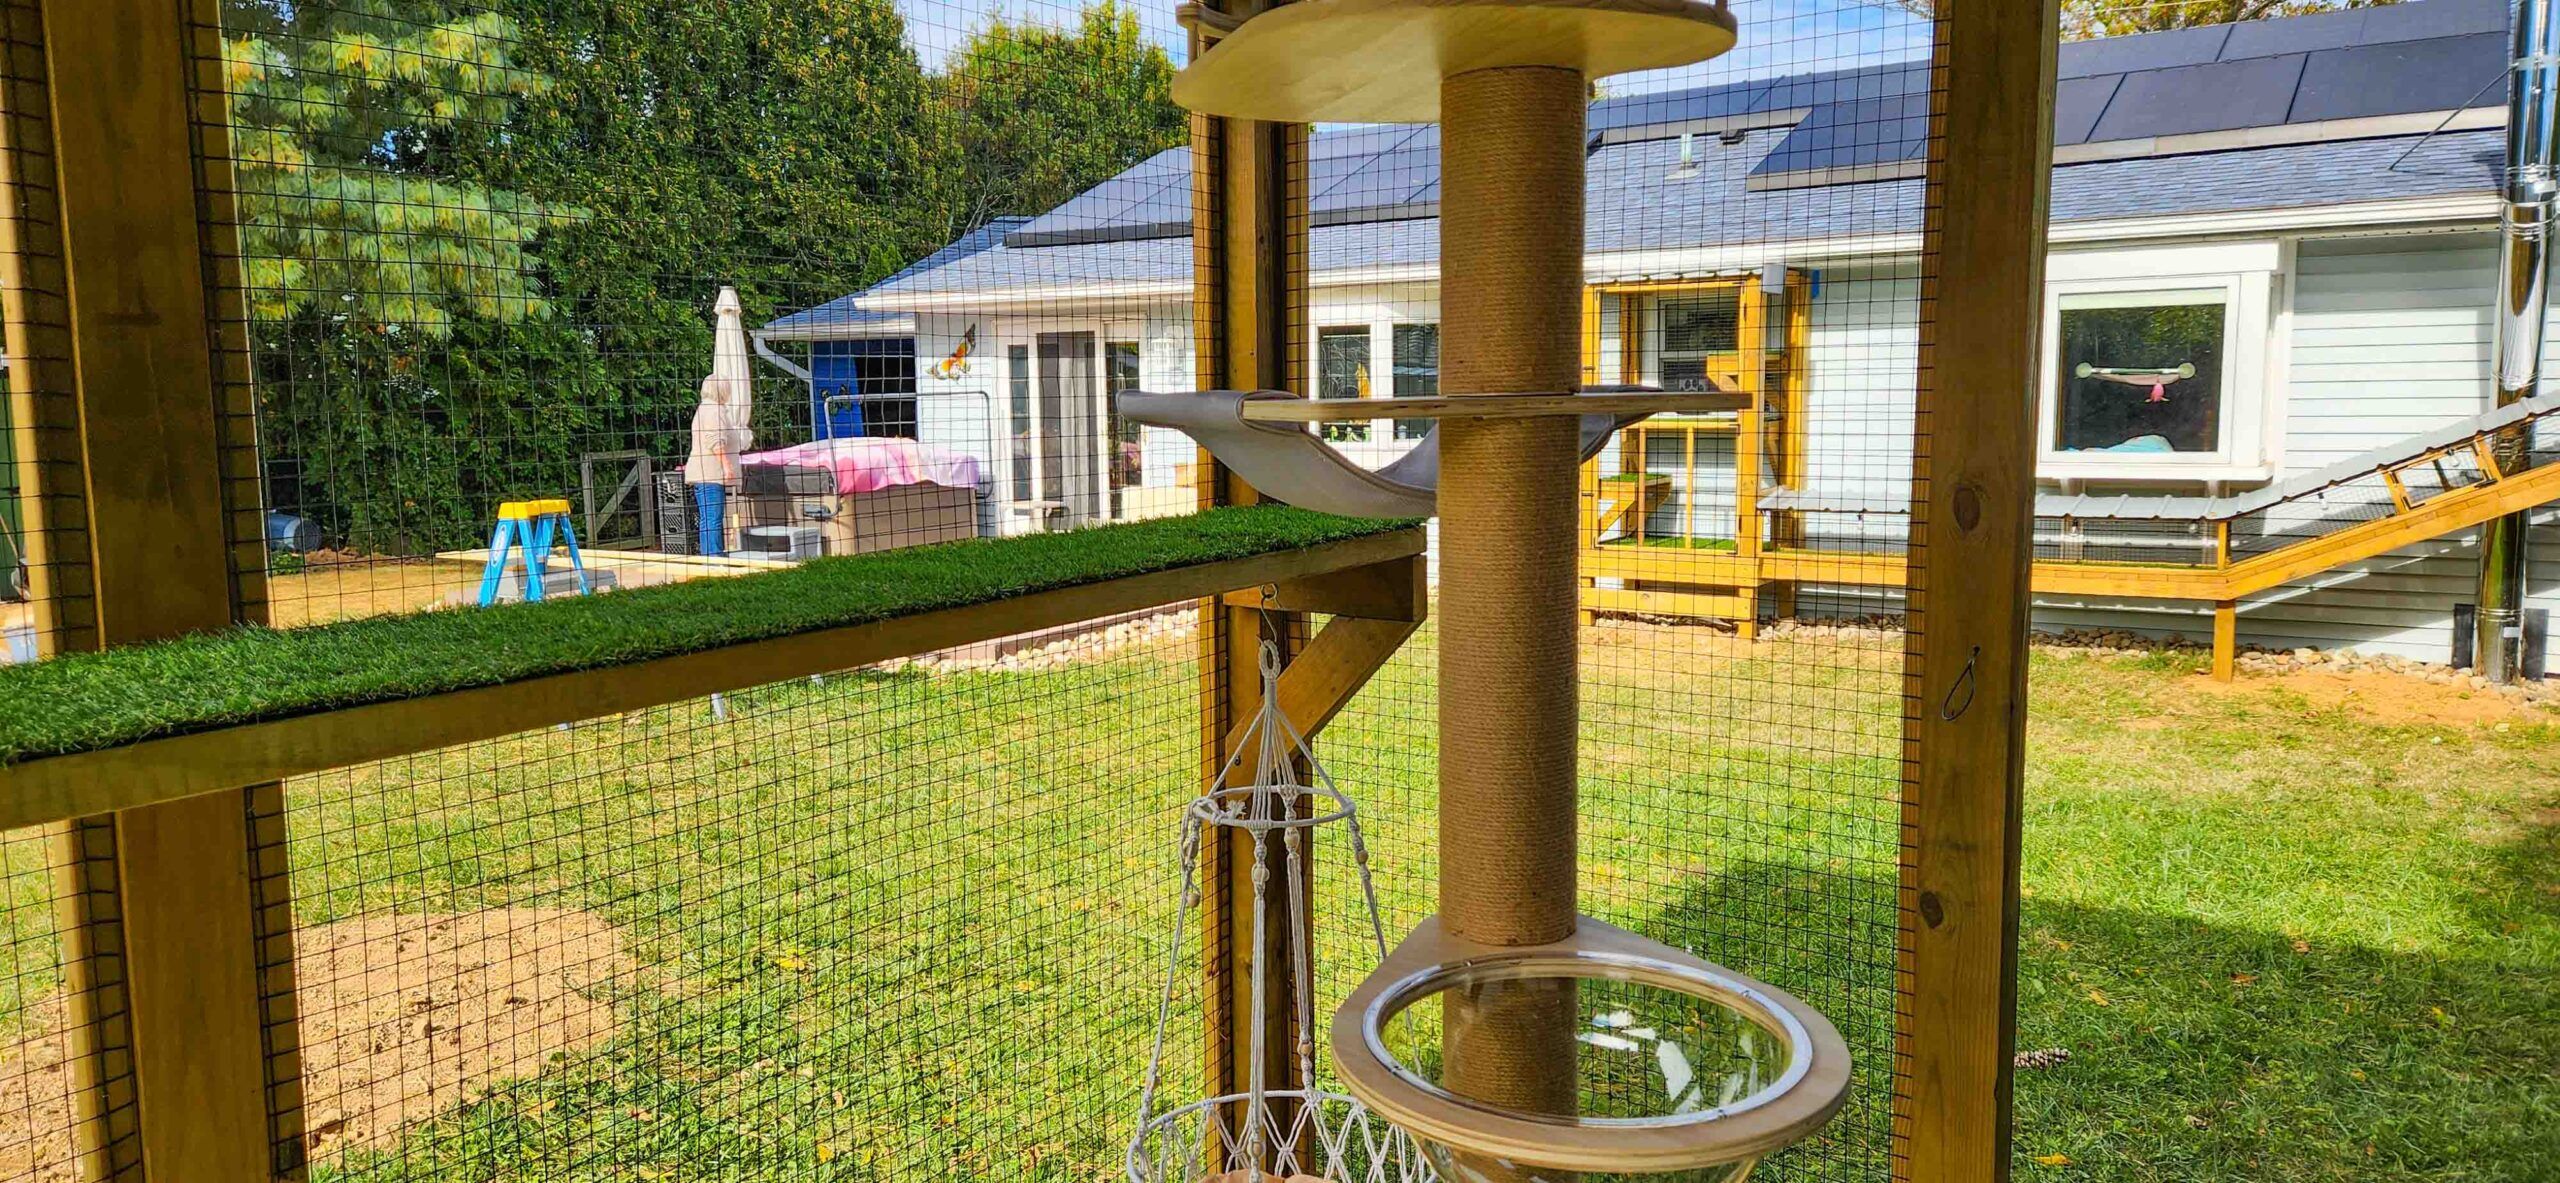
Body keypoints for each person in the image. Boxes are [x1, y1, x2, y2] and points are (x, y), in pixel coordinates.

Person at [683, 374, 752, 556]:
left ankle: (710, 556)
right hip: (711, 472)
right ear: (721, 390)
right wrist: (727, 466)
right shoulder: (715, 411)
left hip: (702, 472)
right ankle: (714, 557)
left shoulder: (704, 409)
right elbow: (715, 441)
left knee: (708, 518)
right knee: (713, 518)